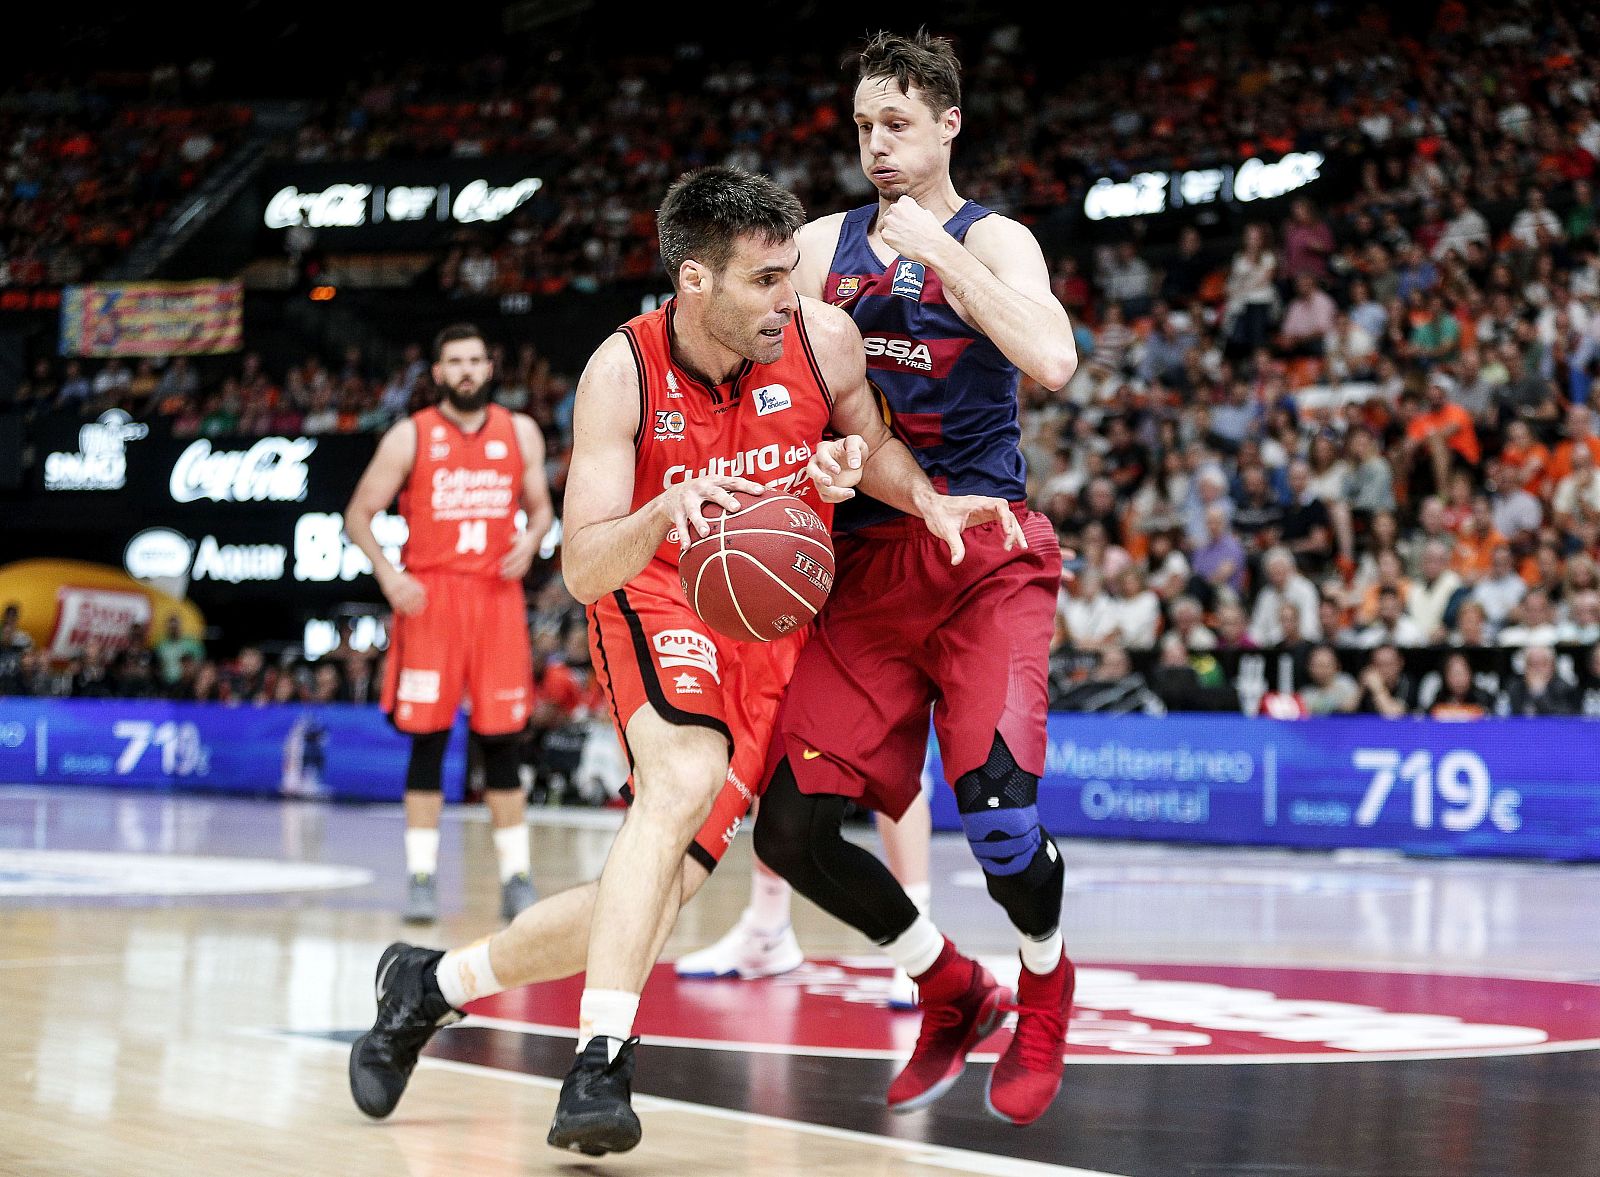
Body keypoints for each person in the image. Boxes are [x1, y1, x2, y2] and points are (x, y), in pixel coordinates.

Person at [347, 166, 1022, 1156]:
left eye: (791, 273)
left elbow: (868, 439)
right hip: (656, 591)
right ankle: (601, 1059)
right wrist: (662, 510)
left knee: (656, 892)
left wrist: (910, 493)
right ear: (694, 279)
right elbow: (583, 565)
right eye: (765, 279)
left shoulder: (821, 337)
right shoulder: (622, 369)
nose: (788, 296)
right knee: (681, 778)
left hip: (769, 622)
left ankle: (429, 984)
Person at [748, 31, 1079, 1130]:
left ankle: (1044, 986)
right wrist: (812, 460)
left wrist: (938, 252)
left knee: (1000, 824)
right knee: (790, 833)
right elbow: (768, 382)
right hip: (867, 561)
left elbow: (1053, 359)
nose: (875, 145)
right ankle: (948, 985)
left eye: (896, 123)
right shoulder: (817, 247)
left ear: (948, 125)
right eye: (861, 126)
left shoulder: (995, 237)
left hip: (985, 553)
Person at [344, 323, 555, 924]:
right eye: (455, 362)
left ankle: (516, 878)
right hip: (431, 600)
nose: (466, 371)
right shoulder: (410, 435)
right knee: (429, 741)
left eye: (475, 360)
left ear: (489, 367)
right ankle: (420, 878)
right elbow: (358, 514)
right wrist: (389, 575)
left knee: (503, 742)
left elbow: (542, 510)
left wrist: (532, 540)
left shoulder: (519, 431)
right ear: (438, 373)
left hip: (496, 599)